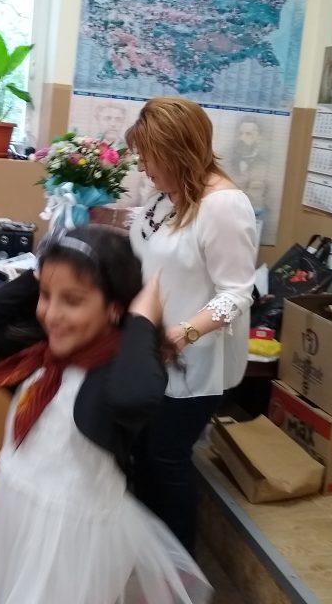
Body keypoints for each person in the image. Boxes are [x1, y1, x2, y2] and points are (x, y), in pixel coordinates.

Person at [0, 226, 212, 604]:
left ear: (114, 307)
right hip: (17, 509)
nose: (52, 314)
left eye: (73, 301)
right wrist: (47, 273)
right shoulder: (44, 351)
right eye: (46, 297)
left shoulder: (116, 369)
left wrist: (142, 318)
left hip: (72, 541)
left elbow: (132, 398)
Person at [125, 97, 259, 553]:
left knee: (166, 459)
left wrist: (183, 333)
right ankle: (149, 557)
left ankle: (177, 568)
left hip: (193, 361)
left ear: (175, 151)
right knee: (143, 454)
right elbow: (154, 250)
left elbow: (237, 293)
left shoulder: (224, 206)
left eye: (148, 156)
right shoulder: (170, 195)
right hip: (153, 353)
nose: (142, 167)